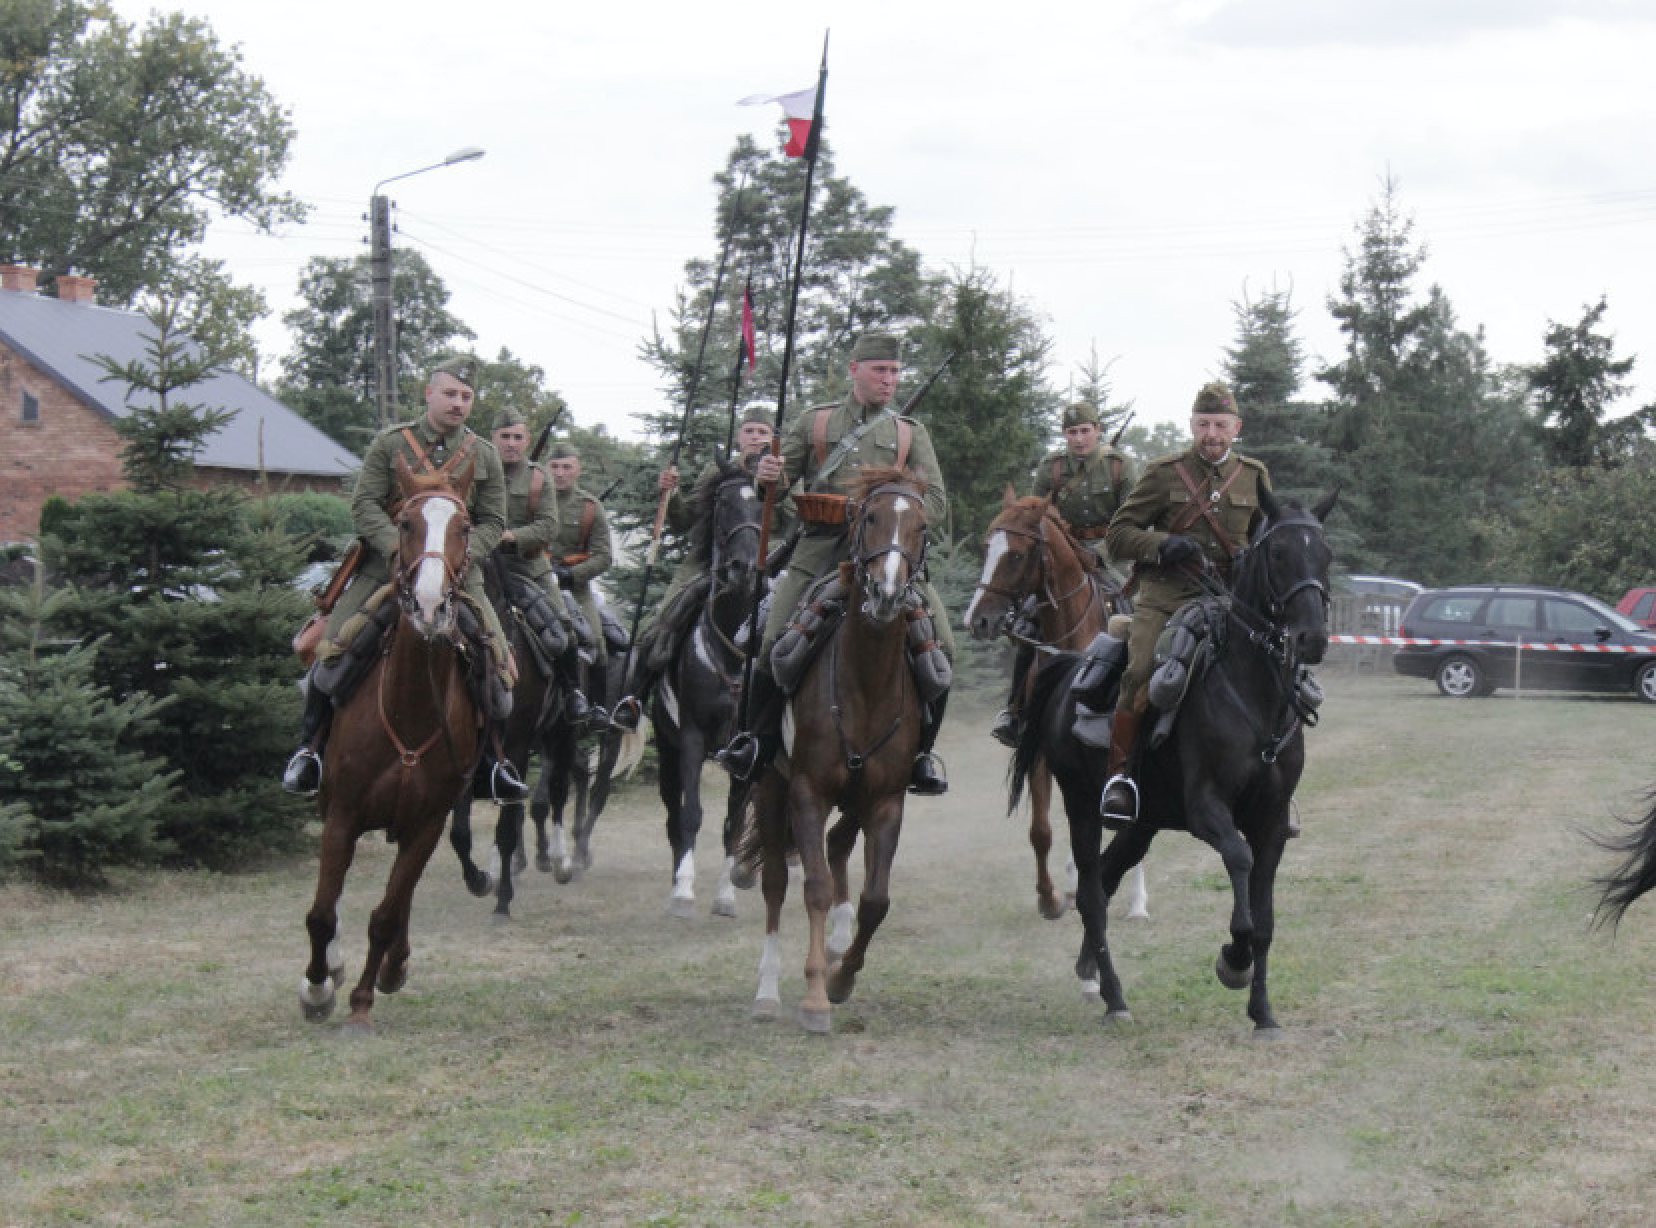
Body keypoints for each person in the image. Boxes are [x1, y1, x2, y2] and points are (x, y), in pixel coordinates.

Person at [716, 332, 955, 795]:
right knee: (769, 641)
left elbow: (939, 505)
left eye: (894, 372)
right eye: (880, 371)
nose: (889, 380)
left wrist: (889, 509)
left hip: (889, 558)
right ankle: (756, 741)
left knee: (941, 649)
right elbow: (779, 491)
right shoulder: (816, 423)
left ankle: (921, 755)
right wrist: (769, 477)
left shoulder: (909, 433)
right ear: (855, 370)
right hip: (820, 554)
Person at [282, 354, 529, 800]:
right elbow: (364, 506)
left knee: (499, 665)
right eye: (451, 393)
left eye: (467, 396)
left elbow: (493, 518)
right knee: (330, 652)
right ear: (429, 393)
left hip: (458, 573)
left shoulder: (483, 455)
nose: (458, 403)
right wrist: (402, 549)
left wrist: (461, 553)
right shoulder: (390, 444)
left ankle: (493, 765)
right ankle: (309, 754)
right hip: (384, 567)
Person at [1097, 381, 1271, 822]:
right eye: (1203, 424)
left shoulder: (1254, 475)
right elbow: (1117, 537)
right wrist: (1162, 544)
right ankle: (1121, 778)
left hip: (1231, 601)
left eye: (1220, 425)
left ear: (1237, 428)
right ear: (1192, 426)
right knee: (1141, 669)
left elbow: (1266, 536)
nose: (1211, 434)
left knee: (1275, 671)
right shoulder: (1163, 472)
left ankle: (1274, 785)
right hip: (1166, 597)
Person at [615, 403, 784, 727]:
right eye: (749, 431)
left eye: (762, 432)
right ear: (739, 436)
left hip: (767, 563)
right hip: (709, 564)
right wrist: (671, 494)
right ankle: (635, 697)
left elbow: (792, 523)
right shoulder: (715, 472)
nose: (755, 437)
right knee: (661, 621)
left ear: (773, 439)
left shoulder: (784, 474)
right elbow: (684, 520)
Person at [991, 399, 1135, 747]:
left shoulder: (1119, 466)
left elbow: (1133, 519)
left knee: (1132, 613)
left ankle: (1133, 701)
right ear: (1064, 435)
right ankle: (1015, 709)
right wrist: (1067, 551)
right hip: (1062, 556)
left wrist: (1099, 553)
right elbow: (1034, 516)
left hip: (1111, 556)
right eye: (1072, 432)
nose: (1079, 438)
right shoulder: (1051, 468)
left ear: (1097, 431)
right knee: (1030, 618)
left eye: (1085, 431)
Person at [490, 407, 592, 728]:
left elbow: (549, 526)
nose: (511, 443)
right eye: (505, 437)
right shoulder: (476, 471)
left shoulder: (539, 477)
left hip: (528, 566)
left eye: (517, 437)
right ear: (492, 439)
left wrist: (511, 536)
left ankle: (573, 692)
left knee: (562, 625)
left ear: (527, 440)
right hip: (481, 566)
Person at [545, 442, 616, 727]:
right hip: (534, 581)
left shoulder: (589, 506)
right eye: (555, 467)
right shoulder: (534, 499)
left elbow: (604, 557)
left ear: (578, 470)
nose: (560, 473)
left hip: (574, 586)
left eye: (567, 467)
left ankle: (597, 707)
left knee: (595, 638)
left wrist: (570, 576)